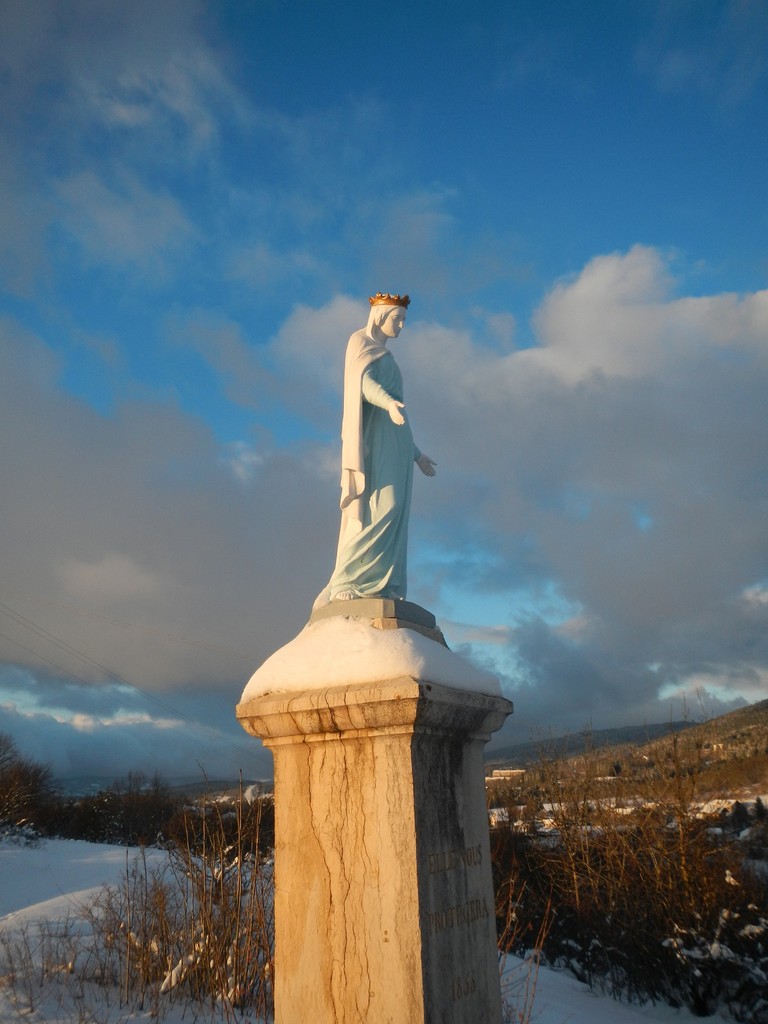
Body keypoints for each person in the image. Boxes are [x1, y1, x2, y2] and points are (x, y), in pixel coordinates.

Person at [315, 292, 436, 606]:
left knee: (397, 516)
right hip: (376, 438)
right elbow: (364, 385)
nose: (401, 326)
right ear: (380, 317)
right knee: (383, 508)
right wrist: (388, 403)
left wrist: (417, 454)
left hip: (397, 439)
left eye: (404, 321)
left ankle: (385, 584)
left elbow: (397, 409)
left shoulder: (390, 358)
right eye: (397, 319)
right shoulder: (360, 344)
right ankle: (347, 580)